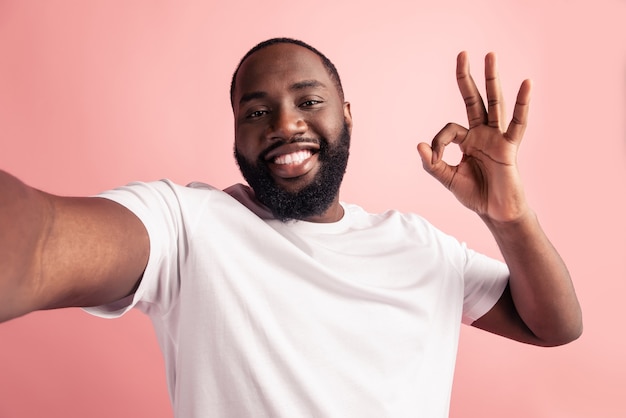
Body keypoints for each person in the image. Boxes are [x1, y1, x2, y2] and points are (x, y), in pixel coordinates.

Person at [0, 37, 582, 417]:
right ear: (234, 135)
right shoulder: (188, 228)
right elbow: (42, 241)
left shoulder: (419, 245)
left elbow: (553, 324)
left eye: (309, 101)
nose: (285, 123)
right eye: (257, 111)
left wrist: (510, 218)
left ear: (346, 114)